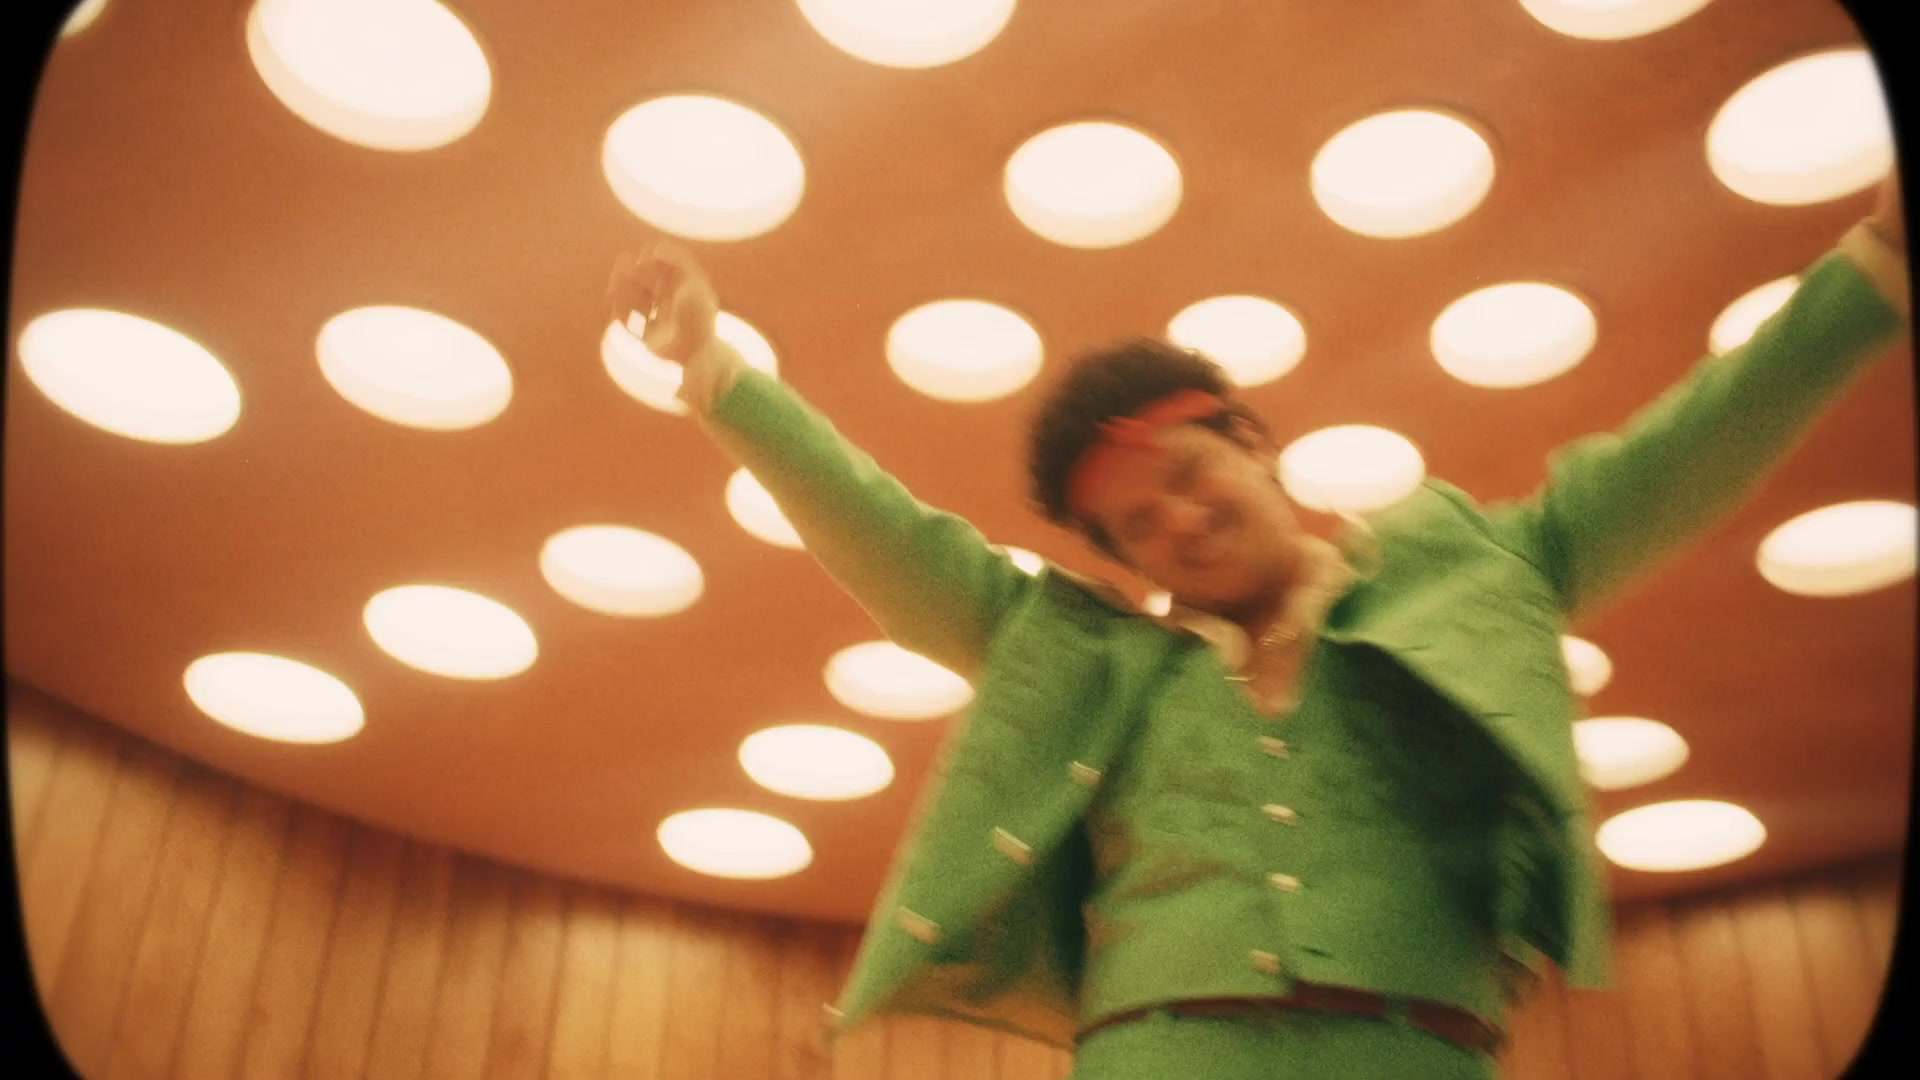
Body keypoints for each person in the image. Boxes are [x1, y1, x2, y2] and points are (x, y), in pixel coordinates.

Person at [606, 172, 1908, 1079]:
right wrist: (717, 372)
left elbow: (1679, 454)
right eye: (1134, 527)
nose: (1176, 523)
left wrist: (1875, 270)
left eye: (1188, 475)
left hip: (1420, 1052)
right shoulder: (1091, 660)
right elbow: (896, 539)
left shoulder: (1473, 576)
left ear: (1254, 443)